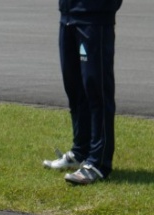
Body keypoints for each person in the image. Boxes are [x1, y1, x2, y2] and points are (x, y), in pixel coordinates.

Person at [43, 0, 123, 185]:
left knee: (97, 90)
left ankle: (98, 163)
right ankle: (80, 152)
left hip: (94, 16)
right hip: (68, 15)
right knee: (75, 89)